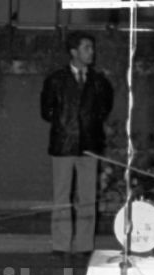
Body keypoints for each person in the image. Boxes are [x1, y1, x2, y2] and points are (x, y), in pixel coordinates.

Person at [40, 31, 114, 262]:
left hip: (90, 144)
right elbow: (46, 111)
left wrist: (88, 125)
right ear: (73, 52)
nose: (91, 52)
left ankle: (84, 245)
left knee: (88, 197)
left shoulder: (100, 81)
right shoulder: (55, 80)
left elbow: (104, 109)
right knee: (62, 197)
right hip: (63, 144)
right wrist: (66, 123)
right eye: (86, 48)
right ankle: (61, 244)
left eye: (91, 48)